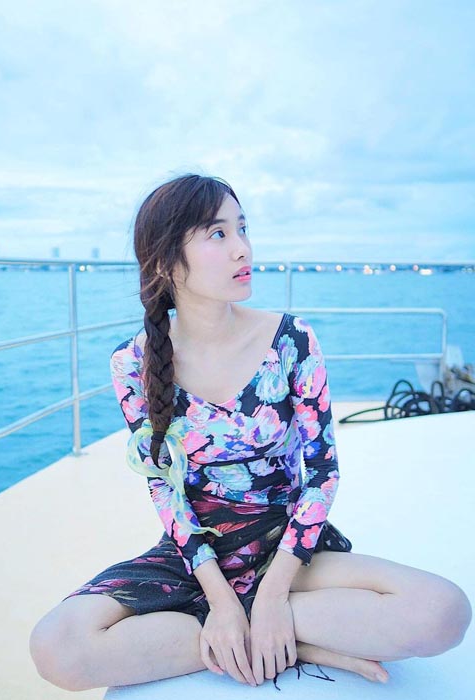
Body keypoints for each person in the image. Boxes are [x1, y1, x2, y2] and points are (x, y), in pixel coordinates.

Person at [29, 174, 472, 692]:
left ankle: (259, 628)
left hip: (287, 547)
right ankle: (271, 639)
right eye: (218, 234)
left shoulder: (291, 340)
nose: (242, 248)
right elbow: (164, 487)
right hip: (196, 557)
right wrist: (221, 600)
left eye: (242, 228)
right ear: (165, 262)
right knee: (56, 647)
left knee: (443, 612)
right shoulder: (133, 363)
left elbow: (322, 473)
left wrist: (274, 594)